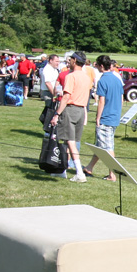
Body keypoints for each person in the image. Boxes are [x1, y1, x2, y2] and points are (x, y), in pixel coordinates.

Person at [50, 51, 91, 182]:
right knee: (69, 142)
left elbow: (66, 96)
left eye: (71, 60)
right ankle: (63, 170)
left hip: (71, 109)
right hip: (81, 110)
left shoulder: (71, 76)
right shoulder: (86, 77)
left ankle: (79, 172)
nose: (69, 62)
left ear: (74, 60)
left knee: (70, 141)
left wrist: (57, 114)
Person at [82, 55, 124, 182]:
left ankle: (112, 174)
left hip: (106, 117)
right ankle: (89, 167)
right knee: (100, 145)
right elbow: (121, 99)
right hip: (115, 116)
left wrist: (98, 117)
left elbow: (101, 101)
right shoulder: (117, 78)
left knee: (108, 147)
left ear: (101, 66)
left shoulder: (103, 80)